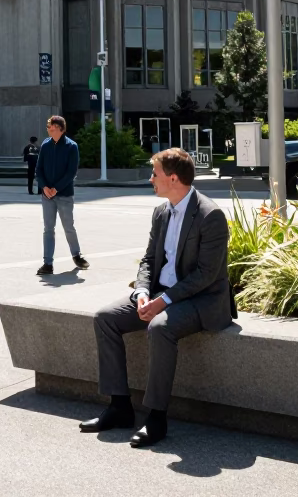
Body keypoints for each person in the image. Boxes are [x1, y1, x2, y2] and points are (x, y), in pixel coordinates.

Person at [79, 147, 235, 449]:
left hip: (201, 299)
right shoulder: (161, 211)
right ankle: (120, 406)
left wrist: (163, 302)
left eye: (155, 174)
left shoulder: (210, 214)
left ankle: (156, 417)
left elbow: (205, 275)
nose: (151, 179)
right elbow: (150, 260)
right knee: (105, 318)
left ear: (173, 178)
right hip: (161, 294)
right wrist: (142, 293)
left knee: (160, 327)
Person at [35, 116, 87, 275]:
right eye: (48, 126)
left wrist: (56, 188)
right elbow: (39, 169)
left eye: (52, 127)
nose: (49, 129)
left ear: (60, 128)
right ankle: (47, 264)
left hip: (64, 194)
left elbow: (71, 173)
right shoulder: (45, 145)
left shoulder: (72, 147)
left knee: (68, 227)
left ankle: (77, 255)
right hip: (47, 196)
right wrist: (44, 187)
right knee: (48, 229)